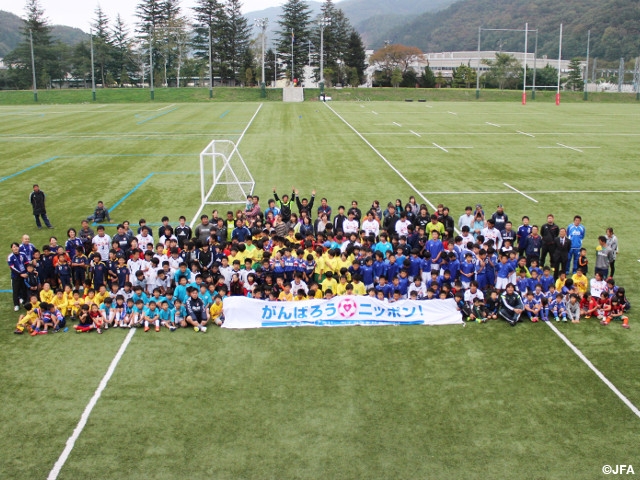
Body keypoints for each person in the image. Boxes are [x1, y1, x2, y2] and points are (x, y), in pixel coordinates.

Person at [8, 242, 29, 311]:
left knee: (24, 289)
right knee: (16, 291)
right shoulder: (10, 257)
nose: (15, 248)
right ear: (12, 249)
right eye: (14, 247)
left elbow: (27, 263)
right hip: (16, 276)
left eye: (16, 246)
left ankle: (25, 302)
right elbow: (12, 267)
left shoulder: (23, 254)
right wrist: (20, 274)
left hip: (24, 275)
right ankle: (16, 305)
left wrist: (27, 272)